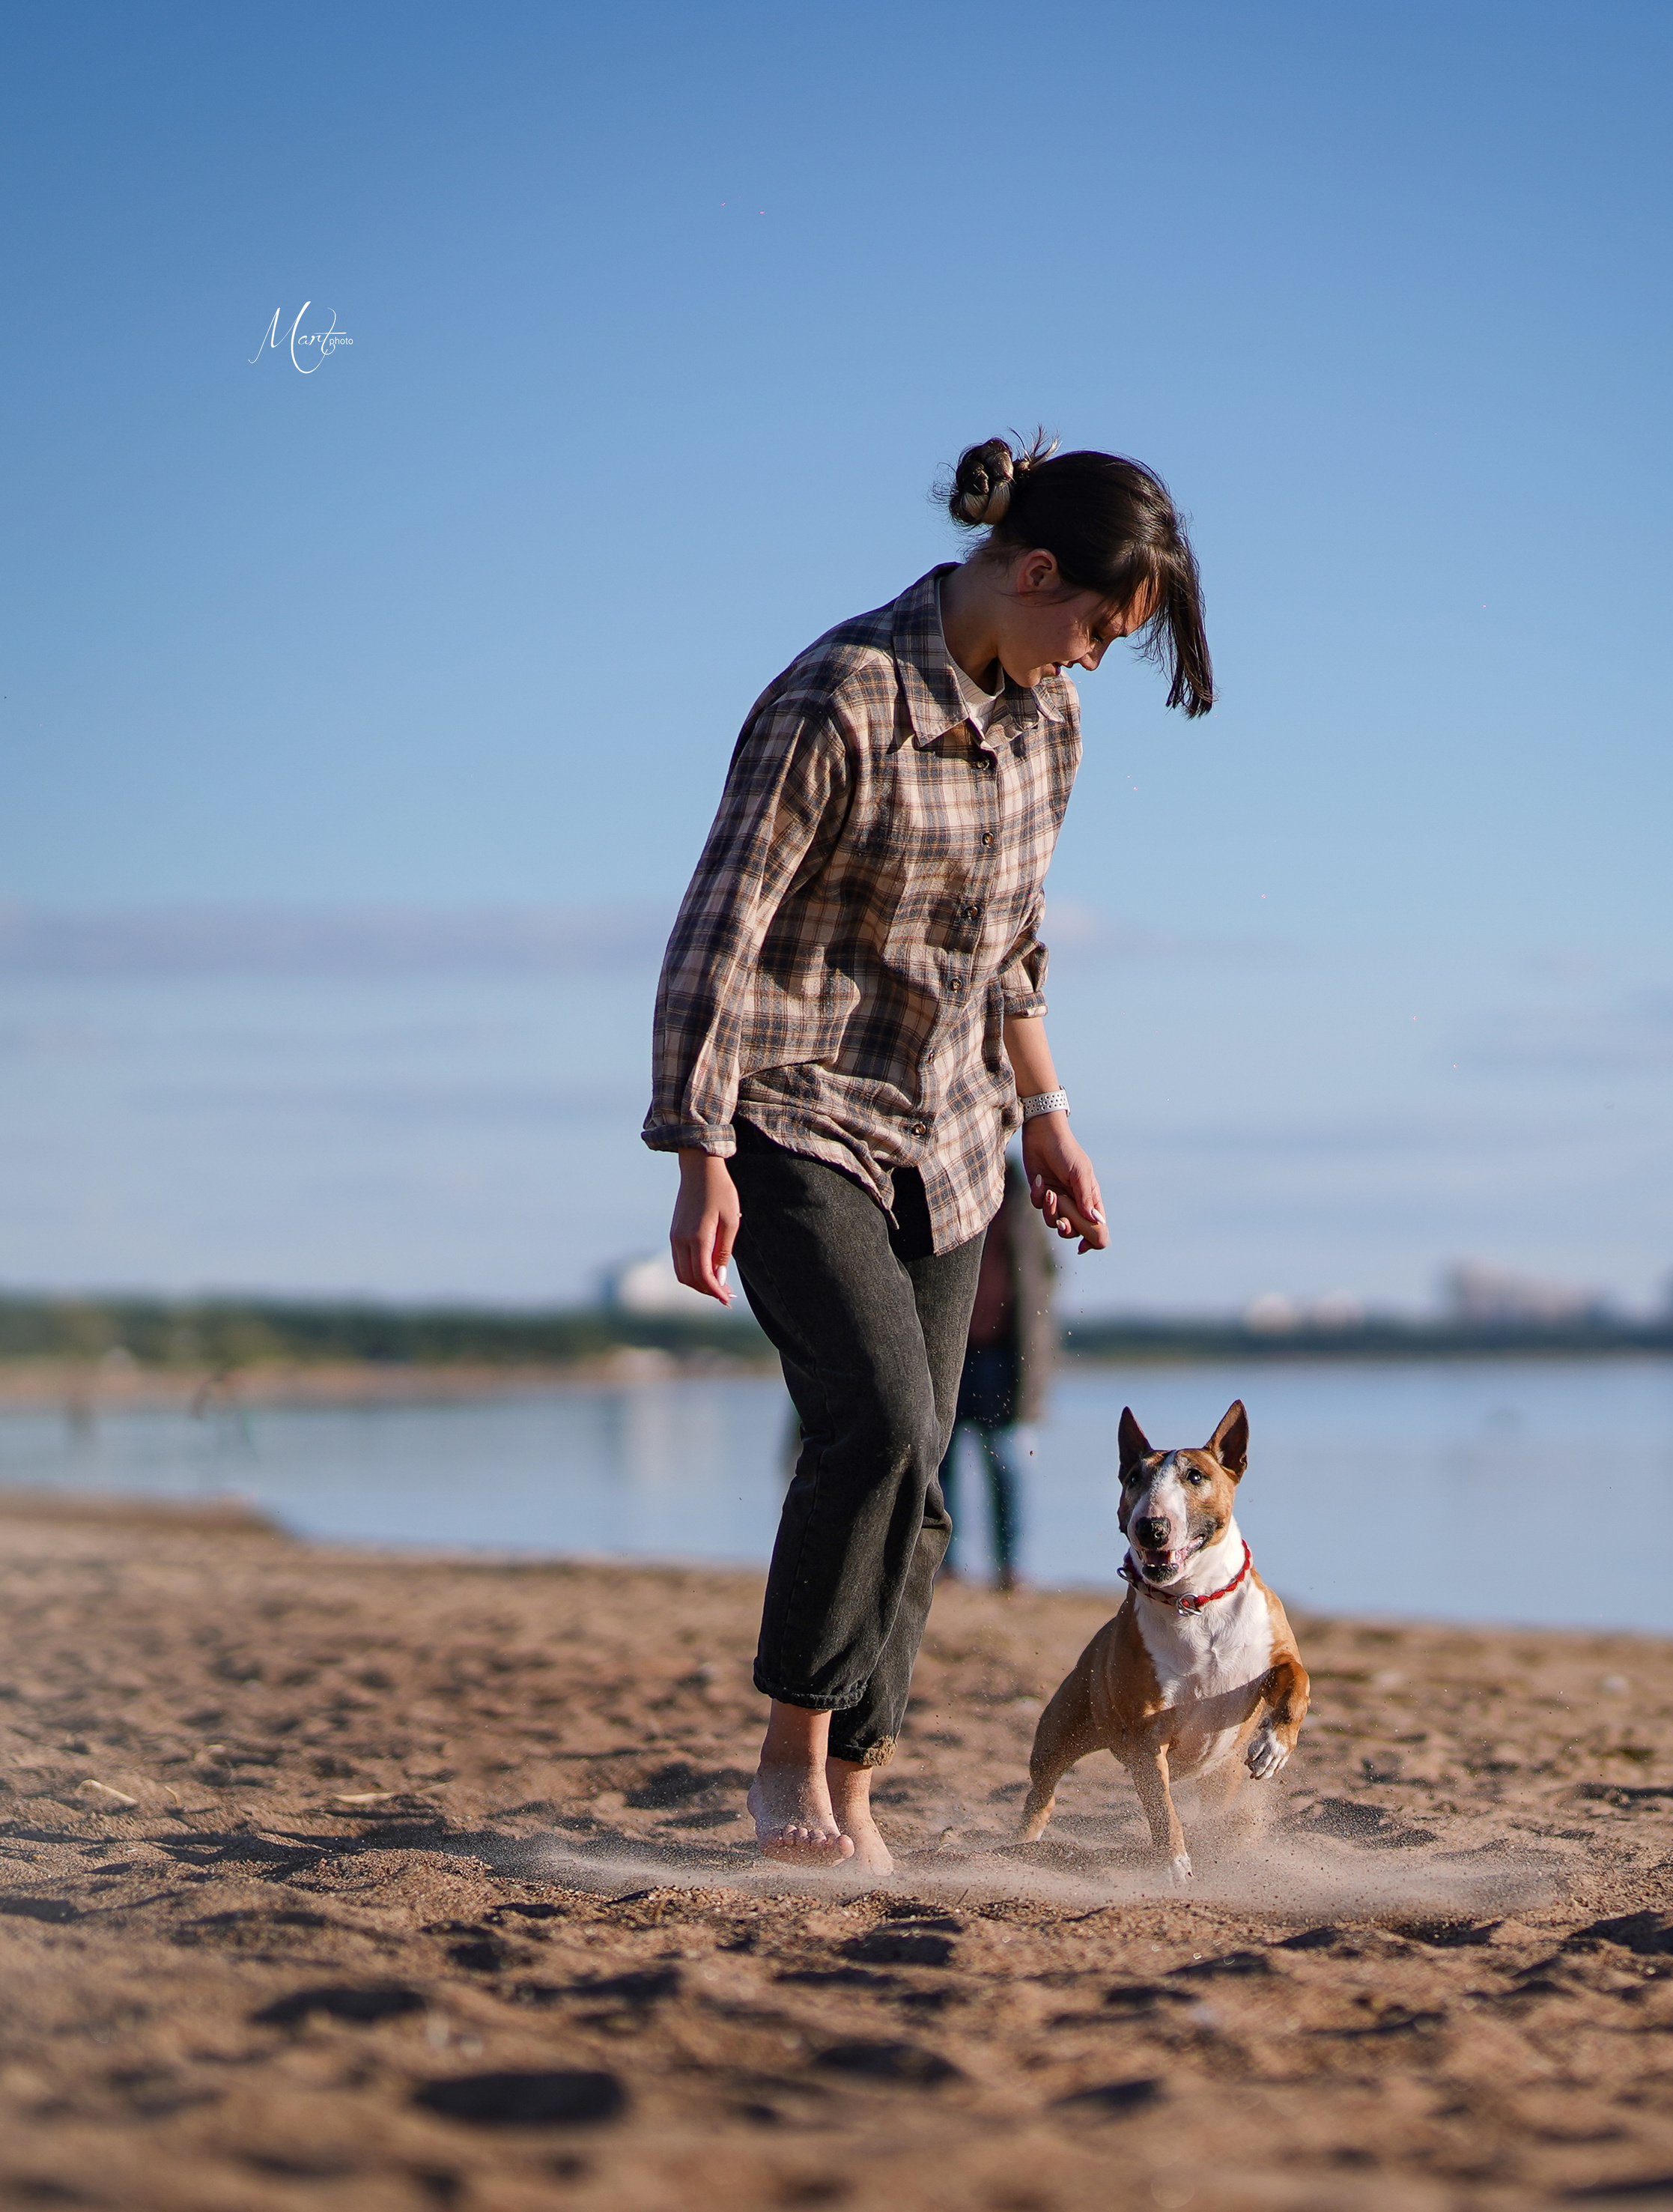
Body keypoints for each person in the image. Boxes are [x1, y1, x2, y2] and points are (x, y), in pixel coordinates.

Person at [645, 432, 1212, 1872]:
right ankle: (788, 1764)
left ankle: (860, 1780)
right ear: (1032, 573)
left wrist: (1049, 1117)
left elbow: (1009, 949)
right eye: (1090, 628)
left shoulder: (1049, 728)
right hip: (793, 1113)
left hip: (952, 1140)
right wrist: (697, 1145)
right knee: (882, 1424)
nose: (1087, 664)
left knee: (932, 1470)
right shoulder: (839, 699)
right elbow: (719, 929)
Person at [939, 1158, 1056, 1591]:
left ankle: (1010, 1569)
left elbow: (1043, 1281)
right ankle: (946, 1566)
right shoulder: (942, 1190)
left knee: (1008, 1463)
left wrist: (1033, 1364)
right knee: (937, 1463)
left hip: (1002, 1359)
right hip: (946, 1352)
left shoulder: (1020, 1205)